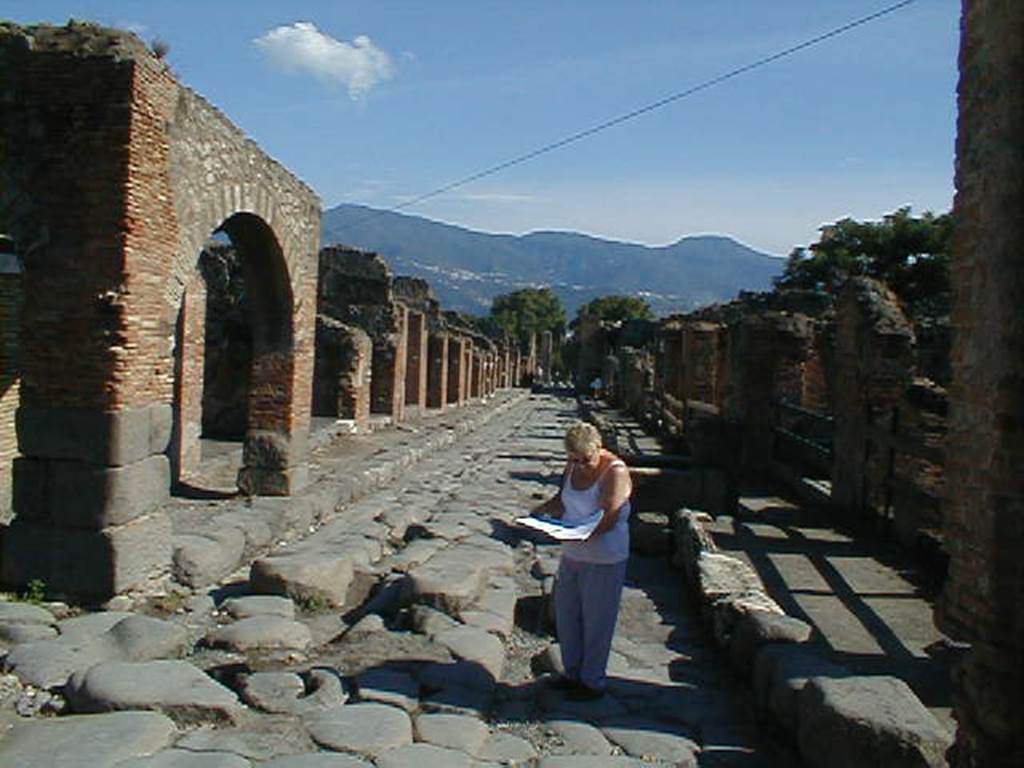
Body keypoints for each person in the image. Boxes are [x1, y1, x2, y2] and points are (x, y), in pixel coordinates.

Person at [531, 420, 632, 700]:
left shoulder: (615, 471)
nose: (581, 465)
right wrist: (539, 513)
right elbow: (563, 501)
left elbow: (610, 513)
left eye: (586, 460)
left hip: (604, 558)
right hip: (572, 554)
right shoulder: (573, 466)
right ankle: (571, 672)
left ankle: (592, 681)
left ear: (598, 448)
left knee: (597, 620)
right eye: (574, 460)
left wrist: (584, 535)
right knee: (568, 615)